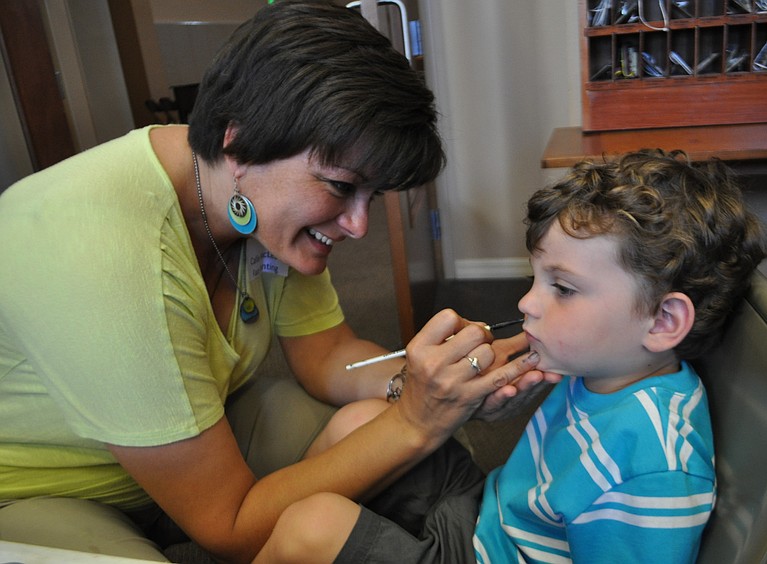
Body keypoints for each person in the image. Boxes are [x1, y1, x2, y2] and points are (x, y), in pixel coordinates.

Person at [0, 3, 548, 561]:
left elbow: (329, 355)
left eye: (372, 197)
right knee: (395, 440)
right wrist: (418, 420)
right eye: (340, 187)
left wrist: (439, 386)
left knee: (371, 427)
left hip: (200, 430)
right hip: (43, 484)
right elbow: (229, 526)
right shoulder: (104, 255)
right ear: (239, 144)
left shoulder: (254, 205)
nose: (359, 226)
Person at [257, 149, 767, 563]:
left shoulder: (650, 474)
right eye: (536, 280)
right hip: (491, 515)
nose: (526, 302)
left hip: (493, 550)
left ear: (662, 322)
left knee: (314, 528)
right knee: (361, 422)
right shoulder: (604, 363)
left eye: (563, 289)